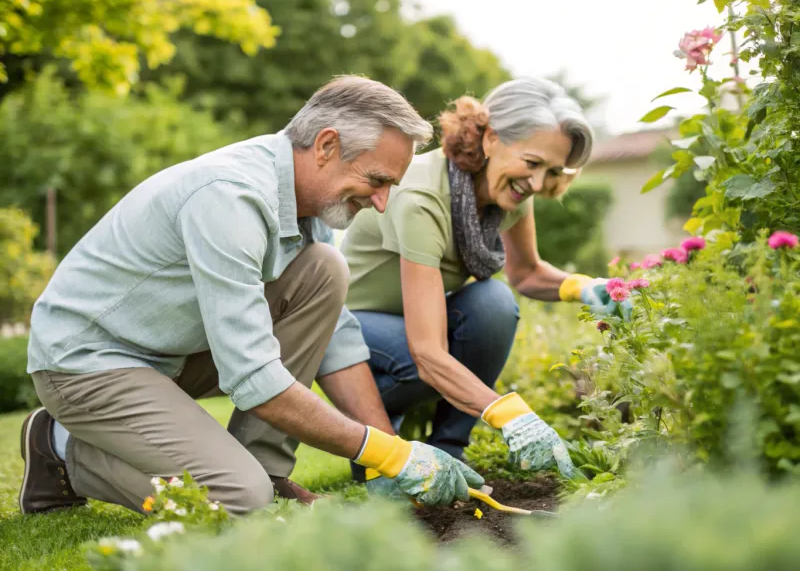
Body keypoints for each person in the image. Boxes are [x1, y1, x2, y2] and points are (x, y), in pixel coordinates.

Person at [18, 75, 485, 518]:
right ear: (326, 146)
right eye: (377, 180)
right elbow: (254, 376)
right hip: (85, 363)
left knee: (326, 267)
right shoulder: (231, 197)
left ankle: (267, 470)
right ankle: (61, 449)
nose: (381, 201)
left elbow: (337, 341)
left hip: (168, 353)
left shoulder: (311, 203)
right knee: (242, 500)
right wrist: (392, 452)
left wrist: (390, 458)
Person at [339, 77, 633, 489]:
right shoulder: (421, 198)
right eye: (531, 163)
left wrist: (587, 288)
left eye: (551, 170)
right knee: (421, 362)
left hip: (408, 322)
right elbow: (427, 352)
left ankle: (449, 449)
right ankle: (374, 439)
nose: (536, 183)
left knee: (493, 301)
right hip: (349, 328)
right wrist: (511, 415)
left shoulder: (507, 196)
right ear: (491, 139)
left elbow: (526, 274)